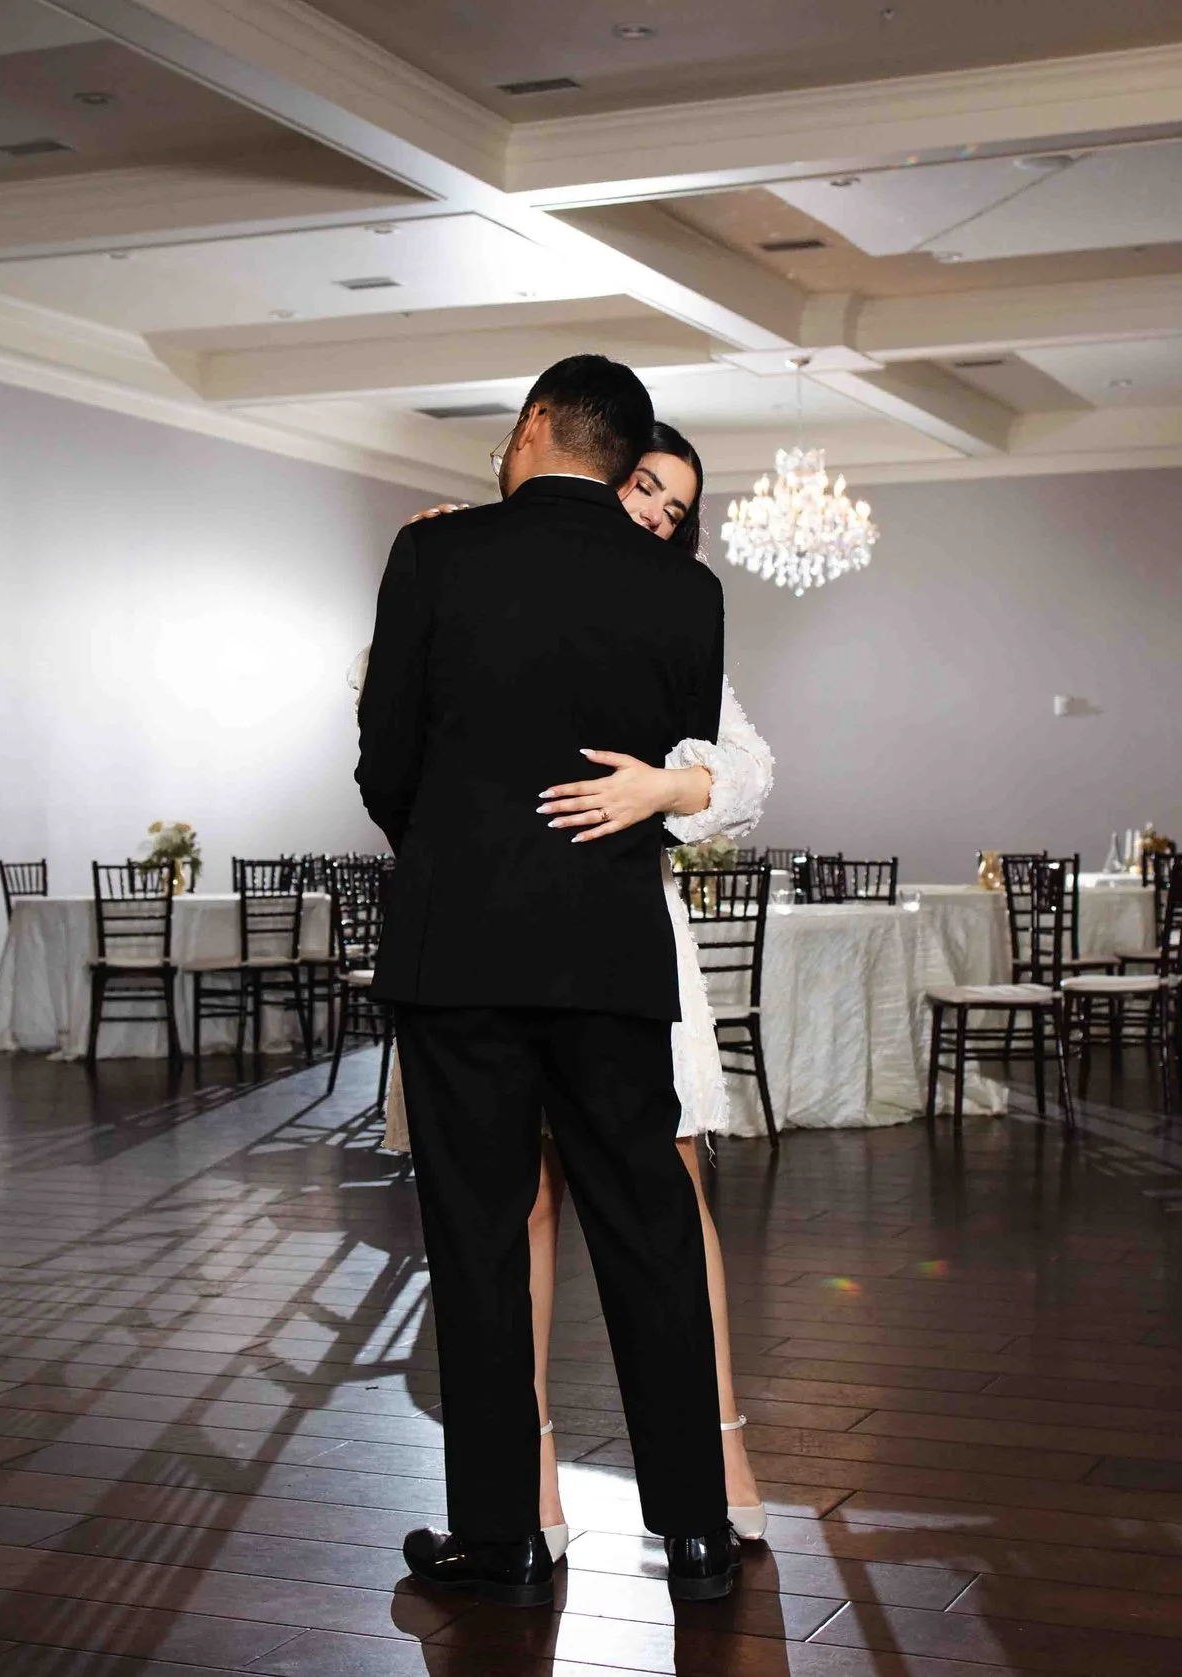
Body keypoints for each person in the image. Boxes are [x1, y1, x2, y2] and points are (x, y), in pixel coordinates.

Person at [356, 356, 741, 1607]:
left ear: (530, 428)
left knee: (476, 1240)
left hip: (457, 944)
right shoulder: (686, 592)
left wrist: (465, 846)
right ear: (622, 456)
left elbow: (385, 762)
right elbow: (680, 763)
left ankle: (503, 1540)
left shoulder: (432, 557)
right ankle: (693, 1535)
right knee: (650, 1232)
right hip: (608, 946)